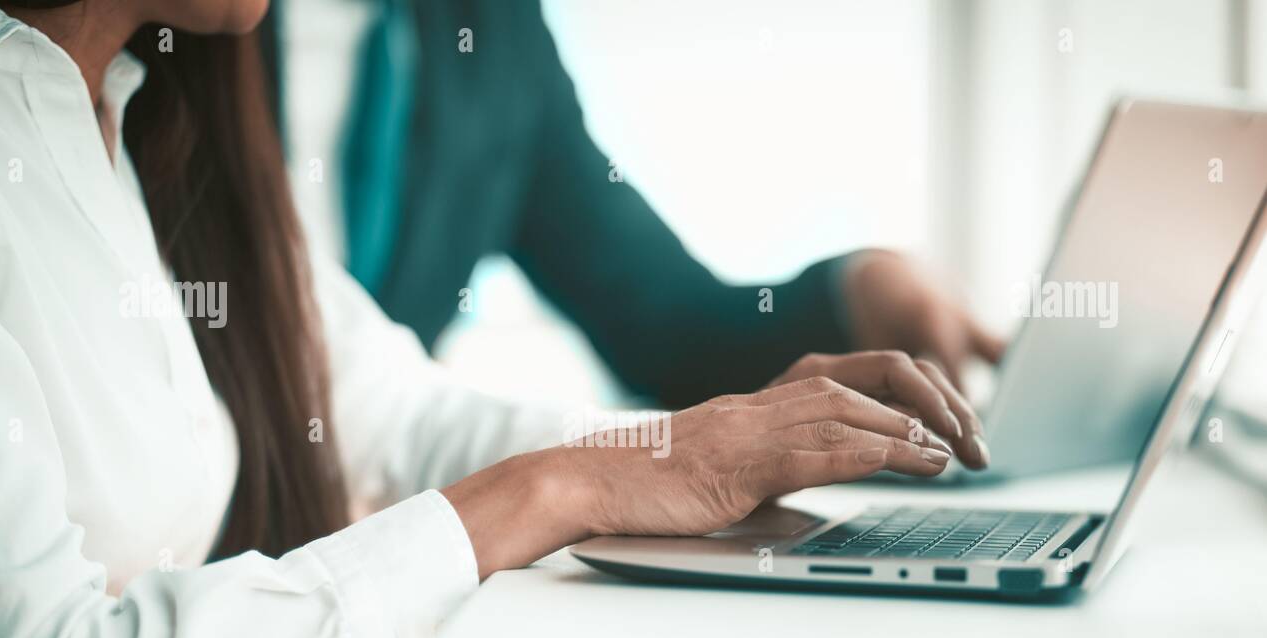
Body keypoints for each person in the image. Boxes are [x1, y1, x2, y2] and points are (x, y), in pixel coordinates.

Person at [0, 0, 984, 638]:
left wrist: (696, 449)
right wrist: (552, 492)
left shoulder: (135, 107)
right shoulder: (95, 100)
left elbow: (399, 410)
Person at [266, 0, 1005, 411]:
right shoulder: (197, 23)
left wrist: (853, 294)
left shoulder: (495, 33)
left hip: (367, 548)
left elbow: (663, 321)